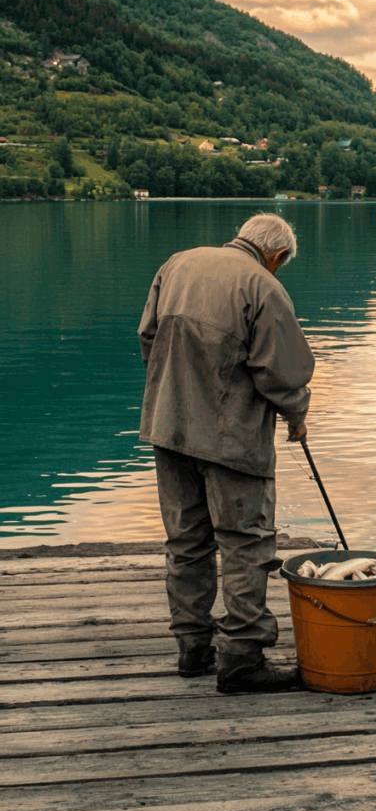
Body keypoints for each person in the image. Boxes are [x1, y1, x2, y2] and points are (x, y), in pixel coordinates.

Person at [137, 212, 314, 694]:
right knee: (246, 543)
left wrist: (178, 388)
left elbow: (148, 339)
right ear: (275, 255)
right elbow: (280, 372)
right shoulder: (263, 286)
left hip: (168, 427)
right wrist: (297, 414)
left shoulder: (177, 265)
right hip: (231, 440)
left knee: (187, 541)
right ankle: (242, 659)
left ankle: (193, 650)